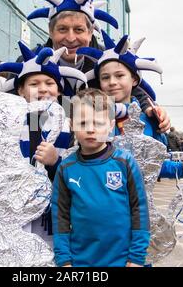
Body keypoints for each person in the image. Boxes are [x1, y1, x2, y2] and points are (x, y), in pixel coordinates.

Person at [0, 42, 88, 239]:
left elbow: (83, 174)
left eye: (49, 83)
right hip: (14, 213)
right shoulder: (7, 126)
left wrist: (55, 161)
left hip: (58, 215)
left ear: (60, 90)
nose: (42, 89)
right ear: (20, 91)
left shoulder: (72, 127)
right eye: (34, 84)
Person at [26, 0, 171, 133]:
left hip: (95, 146)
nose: (70, 38)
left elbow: (131, 88)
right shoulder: (29, 63)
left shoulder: (106, 60)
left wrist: (150, 108)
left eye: (79, 30)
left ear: (90, 32)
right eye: (62, 29)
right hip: (40, 140)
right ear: (51, 32)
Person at [76, 31, 183, 177]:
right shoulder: (92, 118)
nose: (112, 82)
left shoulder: (149, 121)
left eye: (119, 75)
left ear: (134, 80)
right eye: (105, 77)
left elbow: (155, 166)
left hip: (137, 198)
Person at [51, 88, 150, 267]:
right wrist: (64, 260)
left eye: (98, 123)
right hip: (80, 261)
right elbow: (60, 217)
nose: (90, 129)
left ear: (111, 125)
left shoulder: (125, 162)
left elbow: (140, 209)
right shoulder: (65, 168)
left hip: (123, 259)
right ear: (72, 125)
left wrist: (136, 257)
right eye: (83, 123)